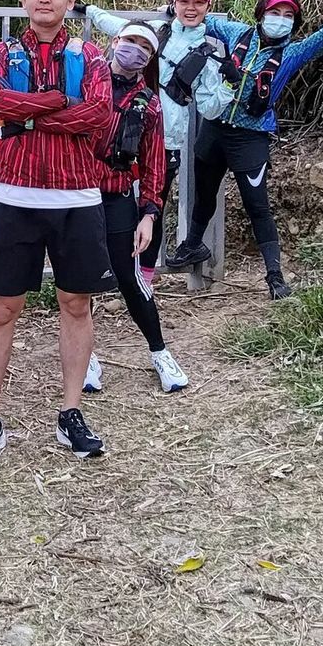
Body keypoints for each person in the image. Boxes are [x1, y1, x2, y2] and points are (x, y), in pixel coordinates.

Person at [0, 0, 114, 468]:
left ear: (70, 1)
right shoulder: (1, 53)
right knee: (2, 307)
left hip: (78, 197)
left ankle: (71, 412)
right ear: (24, 0)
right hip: (17, 196)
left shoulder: (90, 55)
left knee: (76, 304)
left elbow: (97, 114)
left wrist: (28, 115)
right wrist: (56, 103)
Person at [167, 0, 323, 299]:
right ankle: (193, 245)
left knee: (257, 206)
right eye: (274, 12)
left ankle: (275, 276)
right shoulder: (238, 33)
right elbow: (201, 18)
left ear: (294, 23)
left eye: (287, 15)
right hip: (214, 128)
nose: (280, 19)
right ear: (261, 14)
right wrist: (171, 10)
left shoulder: (292, 53)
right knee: (203, 194)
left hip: (250, 137)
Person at [83, 0, 232, 296]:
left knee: (152, 209)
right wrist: (90, 10)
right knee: (107, 203)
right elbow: (117, 27)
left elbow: (209, 107)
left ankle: (145, 281)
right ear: (174, 4)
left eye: (198, 3)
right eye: (184, 1)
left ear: (207, 7)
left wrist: (228, 85)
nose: (190, 8)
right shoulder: (156, 32)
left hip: (167, 141)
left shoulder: (208, 53)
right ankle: (105, 274)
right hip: (123, 136)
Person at [86, 20, 189, 393]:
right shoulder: (85, 81)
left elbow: (154, 165)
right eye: (130, 41)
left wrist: (148, 213)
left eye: (145, 47)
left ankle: (160, 352)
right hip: (77, 194)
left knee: (130, 279)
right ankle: (84, 356)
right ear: (115, 42)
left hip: (116, 196)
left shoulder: (150, 104)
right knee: (78, 281)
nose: (136, 51)